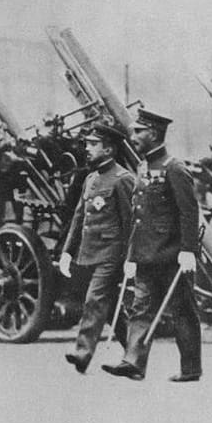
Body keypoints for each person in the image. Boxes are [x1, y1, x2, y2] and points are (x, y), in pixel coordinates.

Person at [103, 108, 202, 382]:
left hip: (172, 256)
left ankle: (191, 368)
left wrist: (188, 250)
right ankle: (133, 362)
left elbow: (188, 211)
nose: (133, 135)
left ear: (154, 134)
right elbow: (139, 217)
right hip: (147, 255)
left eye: (139, 131)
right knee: (141, 308)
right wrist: (132, 256)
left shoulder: (175, 168)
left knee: (182, 311)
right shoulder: (143, 167)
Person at [59, 123, 136, 374]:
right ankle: (136, 353)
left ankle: (82, 354)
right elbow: (79, 219)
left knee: (94, 299)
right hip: (91, 251)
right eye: (87, 144)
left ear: (109, 150)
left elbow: (131, 223)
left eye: (93, 144)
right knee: (111, 304)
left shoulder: (123, 180)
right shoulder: (91, 179)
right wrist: (67, 252)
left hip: (112, 254)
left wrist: (131, 258)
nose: (87, 149)